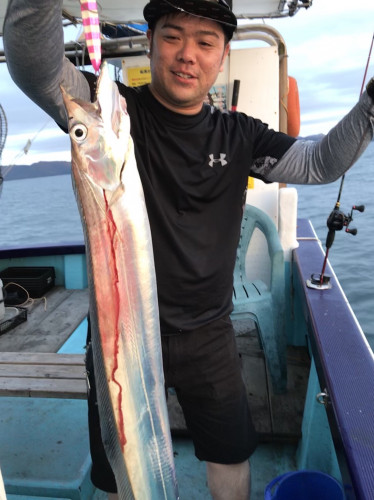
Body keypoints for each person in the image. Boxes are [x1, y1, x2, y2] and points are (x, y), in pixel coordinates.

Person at [4, 0, 374, 498]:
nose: (187, 55)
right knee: (119, 469)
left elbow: (318, 164)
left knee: (230, 453)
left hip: (208, 333)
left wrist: (369, 108)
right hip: (121, 330)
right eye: (173, 36)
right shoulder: (113, 115)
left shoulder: (239, 135)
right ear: (150, 41)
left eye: (205, 42)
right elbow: (34, 66)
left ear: (221, 56)